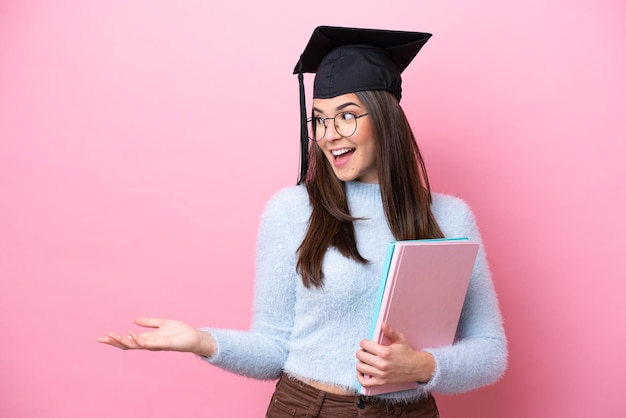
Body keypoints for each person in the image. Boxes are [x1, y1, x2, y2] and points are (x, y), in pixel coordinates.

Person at [99, 26, 507, 417]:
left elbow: (490, 351)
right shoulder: (292, 211)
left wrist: (421, 367)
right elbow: (274, 348)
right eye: (320, 119)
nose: (329, 135)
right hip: (308, 409)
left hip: (409, 412)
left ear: (385, 118)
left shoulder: (450, 216)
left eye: (346, 116)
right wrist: (202, 342)